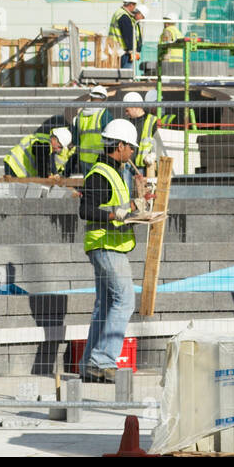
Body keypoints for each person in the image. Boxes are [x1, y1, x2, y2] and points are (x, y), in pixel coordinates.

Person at [78, 119, 142, 384]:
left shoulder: (115, 172)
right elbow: (86, 211)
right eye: (131, 148)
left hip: (110, 245)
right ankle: (103, 359)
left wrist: (138, 200)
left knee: (104, 306)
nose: (133, 153)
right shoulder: (100, 174)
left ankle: (88, 365)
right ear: (120, 145)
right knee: (125, 300)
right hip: (105, 246)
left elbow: (119, 208)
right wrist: (118, 212)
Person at [5, 127, 73, 179]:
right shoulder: (43, 144)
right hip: (14, 165)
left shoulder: (47, 143)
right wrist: (46, 177)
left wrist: (55, 173)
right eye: (59, 146)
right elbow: (41, 160)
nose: (58, 150)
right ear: (55, 139)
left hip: (16, 167)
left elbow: (50, 160)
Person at [121, 91, 163, 175]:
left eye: (127, 110)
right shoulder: (127, 123)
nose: (126, 113)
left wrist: (153, 155)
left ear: (135, 106)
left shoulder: (152, 121)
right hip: (128, 164)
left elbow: (159, 143)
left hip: (144, 166)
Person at [74, 85, 112, 174]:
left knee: (88, 185)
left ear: (91, 97)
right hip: (100, 158)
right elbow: (110, 137)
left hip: (84, 157)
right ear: (104, 99)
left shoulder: (81, 114)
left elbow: (75, 138)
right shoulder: (104, 114)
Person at [109, 0, 141, 69]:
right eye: (134, 5)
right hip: (123, 52)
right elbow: (128, 35)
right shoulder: (124, 16)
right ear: (131, 5)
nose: (135, 8)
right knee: (126, 76)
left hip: (116, 50)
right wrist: (132, 51)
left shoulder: (119, 13)